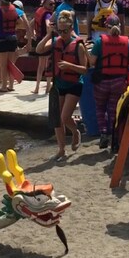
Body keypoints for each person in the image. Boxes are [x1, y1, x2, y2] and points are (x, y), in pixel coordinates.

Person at [37, 10, 89, 161]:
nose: (63, 33)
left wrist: (69, 66)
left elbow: (85, 70)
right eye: (60, 30)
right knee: (56, 119)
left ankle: (75, 132)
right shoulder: (56, 41)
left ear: (71, 27)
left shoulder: (78, 45)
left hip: (74, 84)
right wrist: (48, 34)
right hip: (59, 83)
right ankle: (61, 150)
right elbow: (39, 49)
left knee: (64, 117)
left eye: (65, 30)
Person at [89, 15, 129, 151]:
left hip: (102, 80)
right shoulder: (126, 42)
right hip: (119, 81)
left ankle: (103, 133)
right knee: (114, 110)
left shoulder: (99, 42)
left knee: (100, 108)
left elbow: (92, 61)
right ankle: (115, 138)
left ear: (106, 27)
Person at [0, 0, 28, 92]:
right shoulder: (13, 10)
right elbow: (20, 22)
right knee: (11, 64)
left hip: (0, 40)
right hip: (12, 39)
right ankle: (11, 86)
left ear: (0, 1)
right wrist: (13, 27)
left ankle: (4, 86)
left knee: (3, 65)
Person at [31, 0, 56, 94]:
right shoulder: (47, 15)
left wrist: (32, 34)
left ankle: (37, 87)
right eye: (50, 4)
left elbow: (31, 24)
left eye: (54, 4)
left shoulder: (39, 11)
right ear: (44, 4)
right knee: (48, 64)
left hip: (39, 40)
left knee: (40, 65)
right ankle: (47, 87)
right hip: (46, 40)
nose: (53, 6)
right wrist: (52, 30)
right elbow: (47, 25)